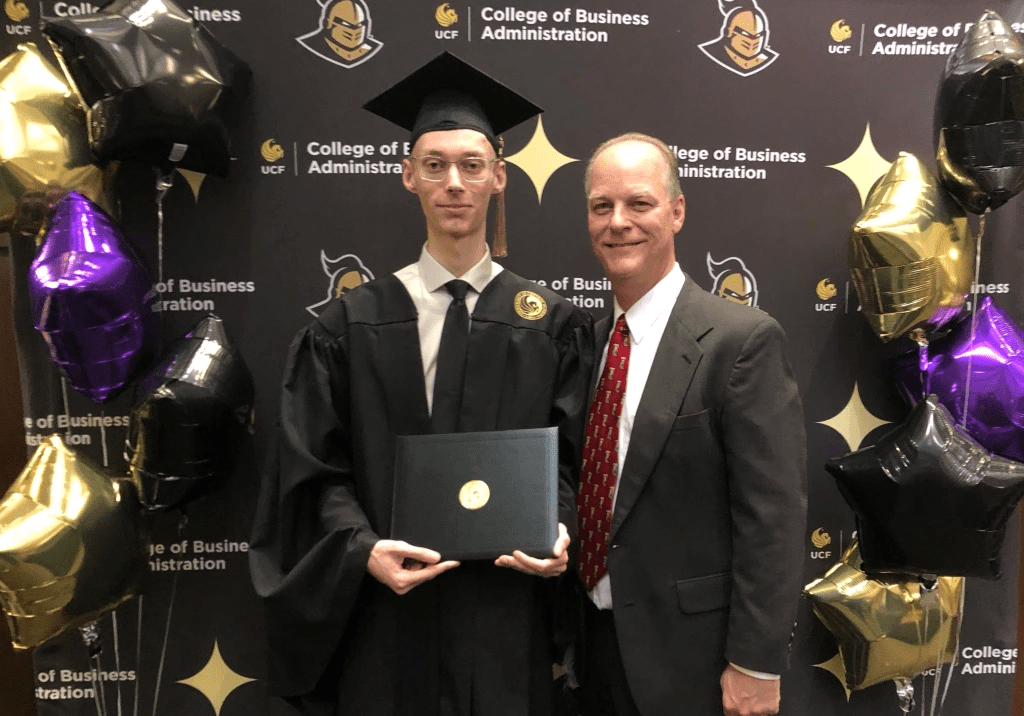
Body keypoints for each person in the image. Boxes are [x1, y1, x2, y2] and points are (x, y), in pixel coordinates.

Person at [249, 52, 593, 716]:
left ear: (499, 175)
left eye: (471, 165)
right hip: (390, 616)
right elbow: (313, 470)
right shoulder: (348, 327)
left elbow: (574, 459)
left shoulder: (550, 326)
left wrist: (561, 528)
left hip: (506, 613)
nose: (454, 183)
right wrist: (361, 549)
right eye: (434, 165)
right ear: (408, 176)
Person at [572, 132, 806, 716]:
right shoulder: (588, 345)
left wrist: (756, 664)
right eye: (602, 206)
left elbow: (772, 517)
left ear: (676, 211)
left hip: (694, 663)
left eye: (639, 203)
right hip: (588, 649)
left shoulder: (741, 341)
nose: (618, 222)